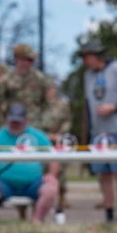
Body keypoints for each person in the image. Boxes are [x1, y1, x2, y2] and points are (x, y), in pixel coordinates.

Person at [80, 38, 117, 224]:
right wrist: (91, 128)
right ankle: (108, 213)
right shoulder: (88, 75)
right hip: (98, 132)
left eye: (87, 57)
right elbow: (89, 103)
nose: (84, 61)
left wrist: (114, 107)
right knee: (103, 174)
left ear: (96, 56)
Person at [0, 103, 60, 222]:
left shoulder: (38, 136)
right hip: (4, 183)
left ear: (26, 121)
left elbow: (53, 157)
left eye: (18, 122)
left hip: (34, 182)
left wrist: (52, 174)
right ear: (7, 120)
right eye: (12, 121)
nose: (15, 125)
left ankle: (37, 221)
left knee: (51, 189)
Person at [0, 44, 52, 125]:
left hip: (35, 126)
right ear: (18, 59)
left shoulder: (41, 80)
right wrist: (1, 123)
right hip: (12, 126)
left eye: (32, 60)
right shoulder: (5, 80)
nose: (30, 63)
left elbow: (48, 105)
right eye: (27, 59)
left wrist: (44, 124)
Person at [39, 82, 73, 212]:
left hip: (59, 141)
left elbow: (67, 121)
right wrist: (46, 136)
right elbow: (35, 122)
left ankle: (62, 196)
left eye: (52, 88)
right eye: (48, 89)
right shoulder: (40, 107)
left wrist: (60, 134)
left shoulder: (62, 106)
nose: (50, 91)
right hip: (44, 140)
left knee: (61, 170)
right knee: (44, 169)